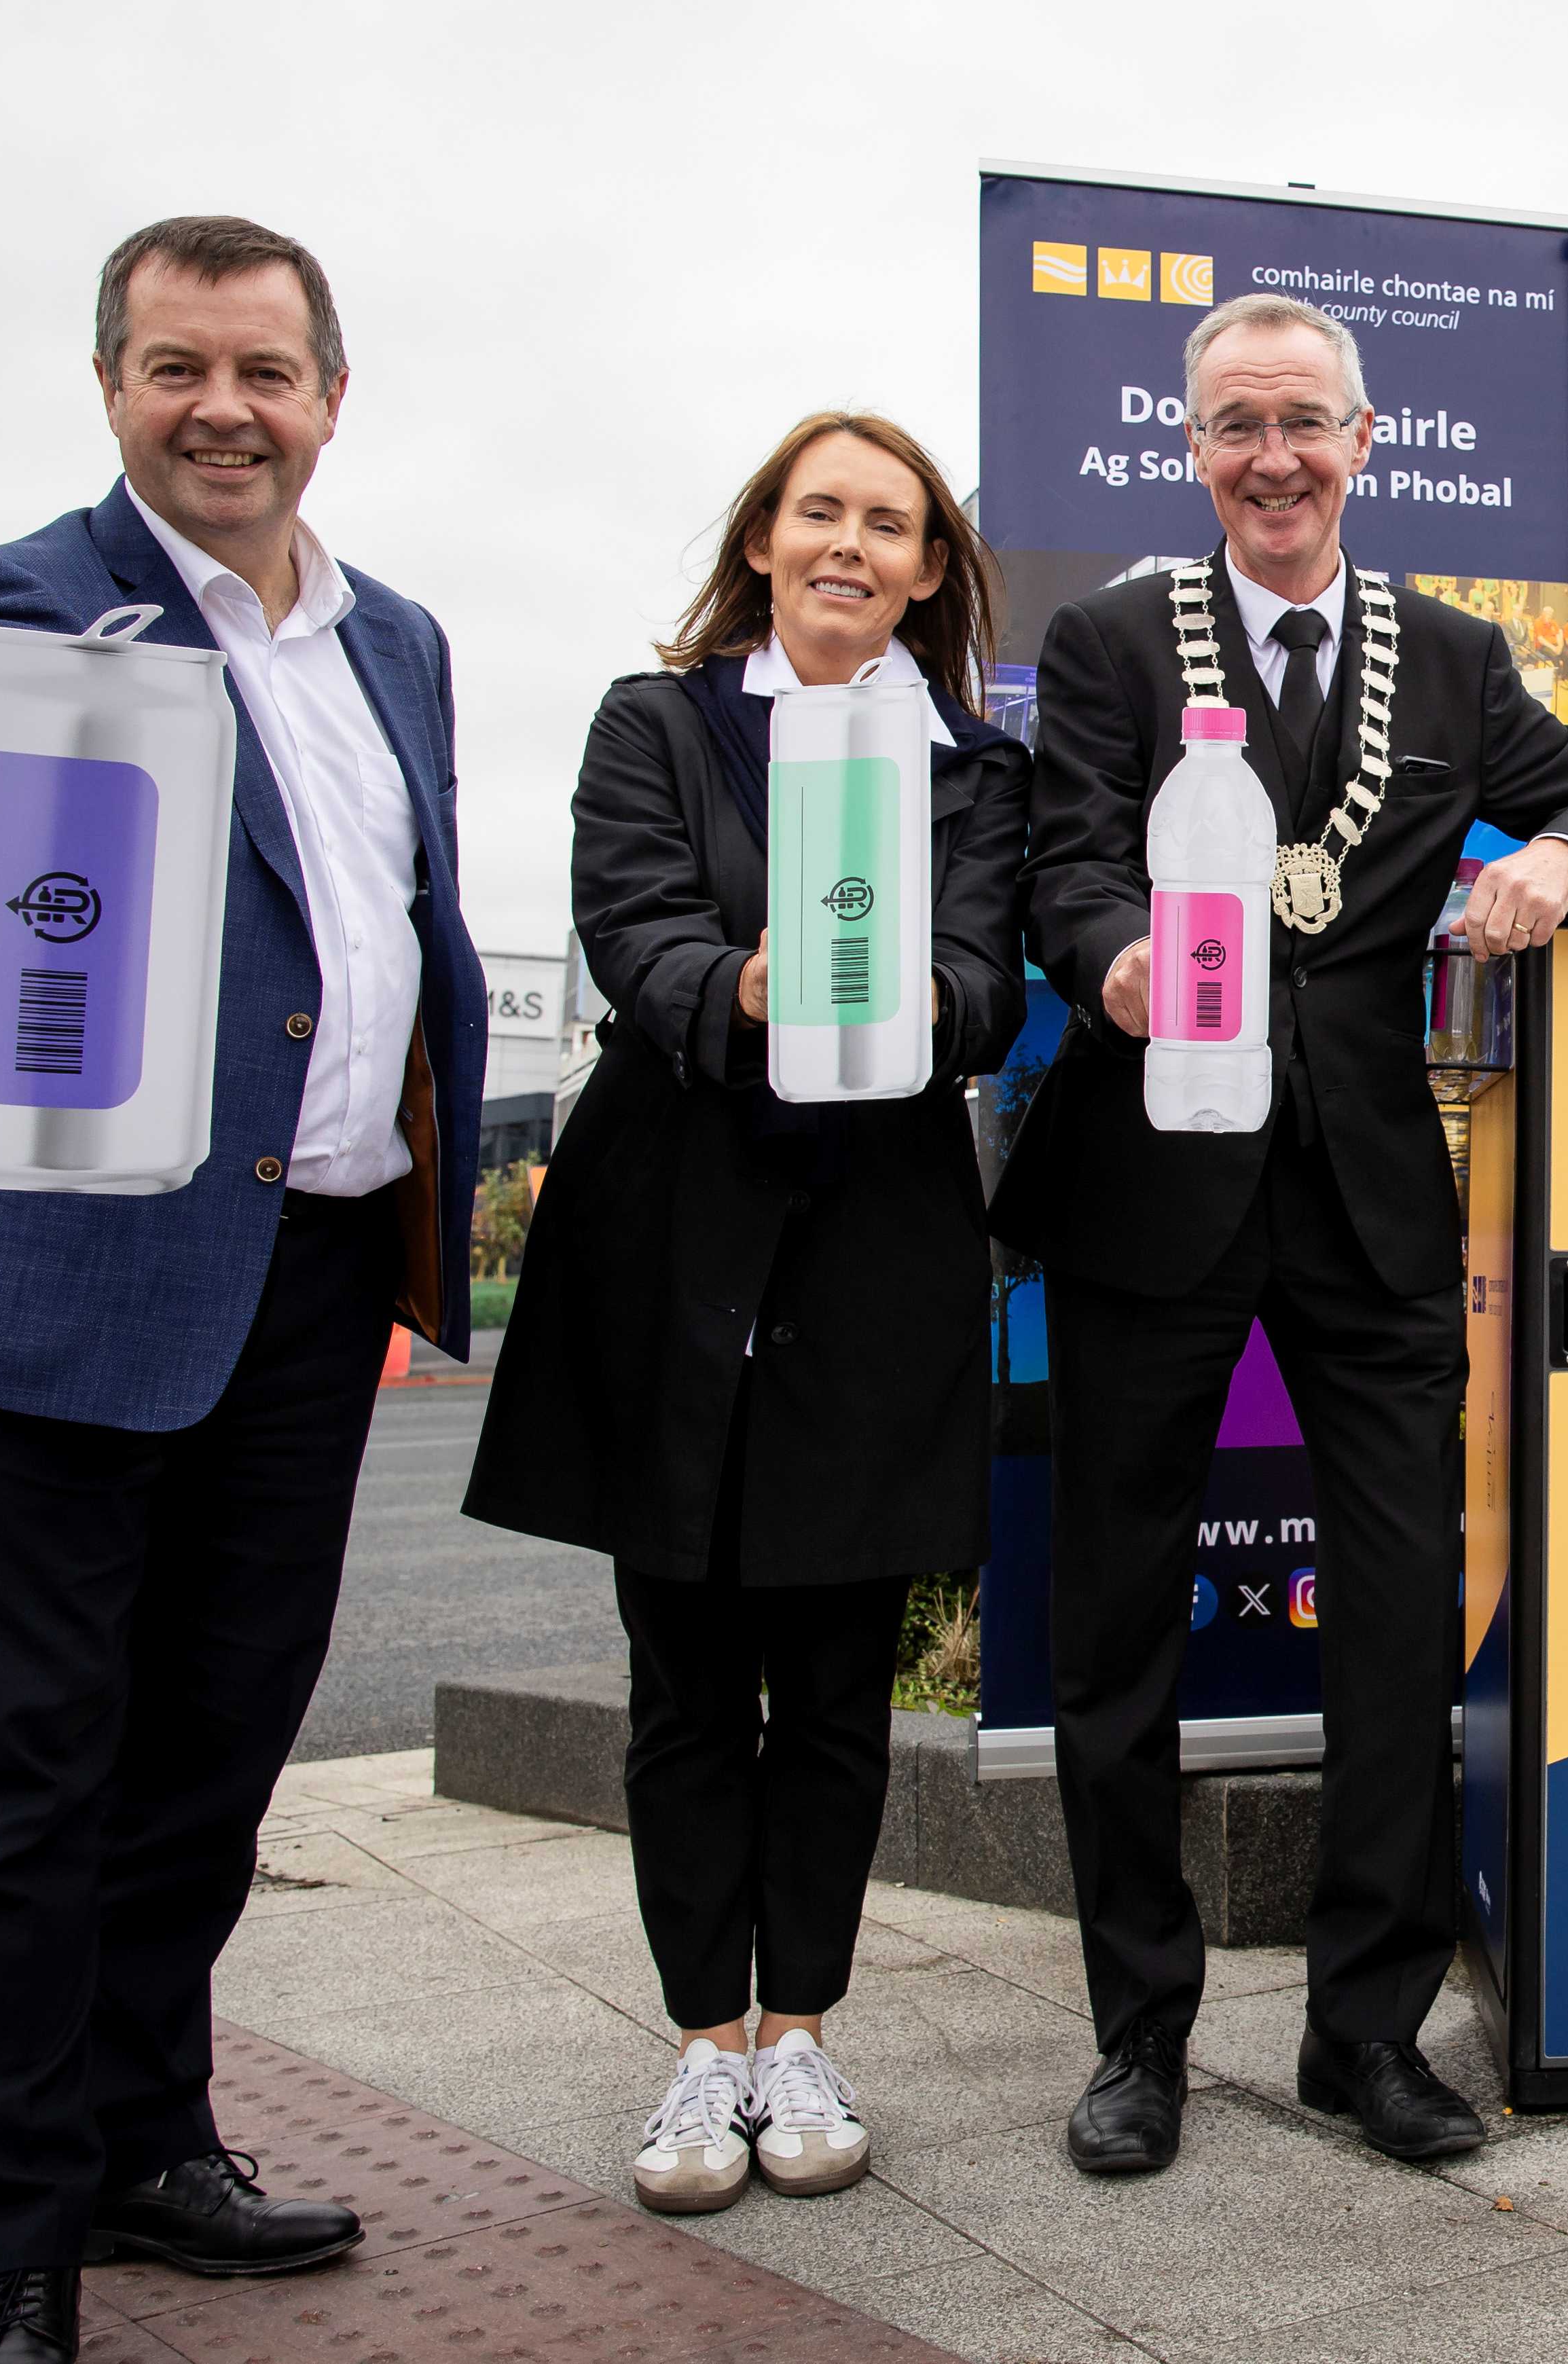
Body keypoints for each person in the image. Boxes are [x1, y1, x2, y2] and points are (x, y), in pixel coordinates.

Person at [0, 217, 487, 2363]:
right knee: (6, 1782)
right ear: (111, 381)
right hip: (71, 1275)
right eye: (175, 367)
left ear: (331, 393)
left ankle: (144, 2139)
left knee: (207, 1758)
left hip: (311, 1279)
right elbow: (21, 896)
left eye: (266, 372)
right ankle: (15, 2242)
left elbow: (387, 927)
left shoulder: (397, 638)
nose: (223, 409)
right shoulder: (28, 600)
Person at [995, 291, 1568, 2173]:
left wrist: (1549, 861)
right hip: (1154, 1172)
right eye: (1234, 426)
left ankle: (1364, 2031)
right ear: (1190, 451)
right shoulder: (1116, 638)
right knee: (1116, 1620)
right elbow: (1056, 858)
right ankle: (1137, 2028)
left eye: (1304, 420)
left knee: (1393, 1620)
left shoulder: (1451, 659)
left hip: (1377, 1197)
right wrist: (1114, 959)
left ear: (1364, 443)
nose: (1272, 456)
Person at [461, 412, 1030, 2214]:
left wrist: (899, 999)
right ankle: (702, 2045)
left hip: (877, 1251)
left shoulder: (975, 775)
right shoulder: (659, 724)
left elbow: (986, 984)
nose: (851, 545)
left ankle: (804, 2031)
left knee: (841, 1685)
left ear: (931, 571)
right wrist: (747, 983)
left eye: (891, 523)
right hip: (677, 1237)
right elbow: (629, 930)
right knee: (687, 1677)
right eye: (820, 513)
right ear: (767, 542)